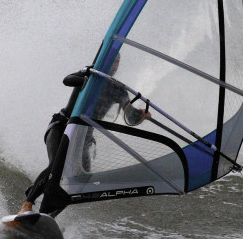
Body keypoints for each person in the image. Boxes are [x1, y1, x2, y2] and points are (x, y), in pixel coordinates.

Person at [18, 55, 151, 215]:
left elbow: (129, 116)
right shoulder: (90, 73)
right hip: (62, 127)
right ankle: (27, 205)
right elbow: (67, 80)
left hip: (82, 139)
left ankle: (48, 215)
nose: (114, 64)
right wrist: (86, 81)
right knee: (56, 166)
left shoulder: (118, 89)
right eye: (112, 60)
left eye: (117, 61)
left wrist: (140, 115)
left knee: (82, 179)